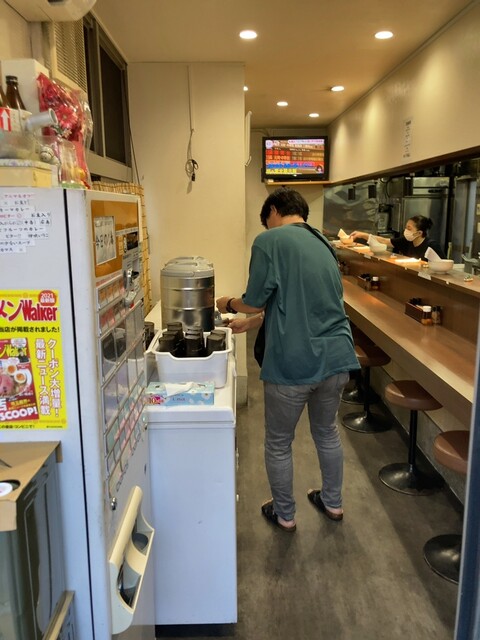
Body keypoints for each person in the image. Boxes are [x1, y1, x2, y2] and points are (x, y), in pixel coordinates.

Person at [217, 187, 359, 532]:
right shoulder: (324, 243)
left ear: (274, 211)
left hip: (295, 361)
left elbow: (254, 299)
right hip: (337, 357)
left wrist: (228, 303)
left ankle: (285, 514)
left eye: (267, 221)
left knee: (279, 443)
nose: (268, 228)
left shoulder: (270, 240)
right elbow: (299, 301)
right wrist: (253, 323)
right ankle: (333, 503)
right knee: (327, 432)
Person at [350, 215, 446, 260]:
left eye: (409, 228)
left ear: (419, 233)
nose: (406, 230)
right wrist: (363, 235)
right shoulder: (406, 241)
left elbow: (444, 265)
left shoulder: (431, 245)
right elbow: (385, 241)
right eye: (406, 227)